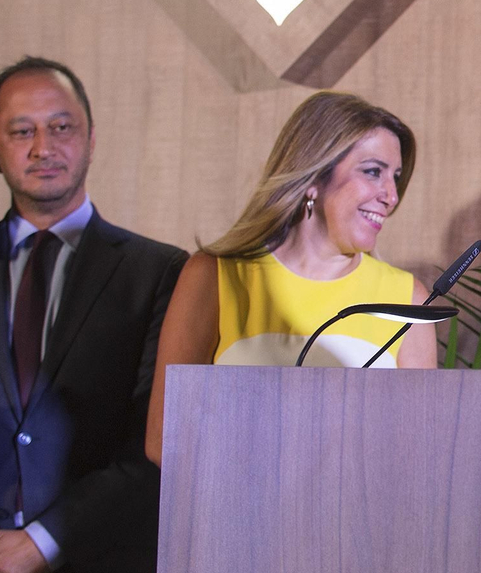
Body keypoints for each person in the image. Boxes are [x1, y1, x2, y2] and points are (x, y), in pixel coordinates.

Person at [0, 57, 187, 573]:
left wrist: (44, 543)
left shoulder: (162, 273)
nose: (42, 146)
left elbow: (157, 442)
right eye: (21, 131)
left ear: (92, 138)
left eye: (62, 126)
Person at [145, 91, 438, 465]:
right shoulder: (214, 276)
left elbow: (418, 454)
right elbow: (162, 439)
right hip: (232, 516)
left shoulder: (408, 300)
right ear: (314, 177)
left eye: (395, 178)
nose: (391, 196)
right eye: (373, 172)